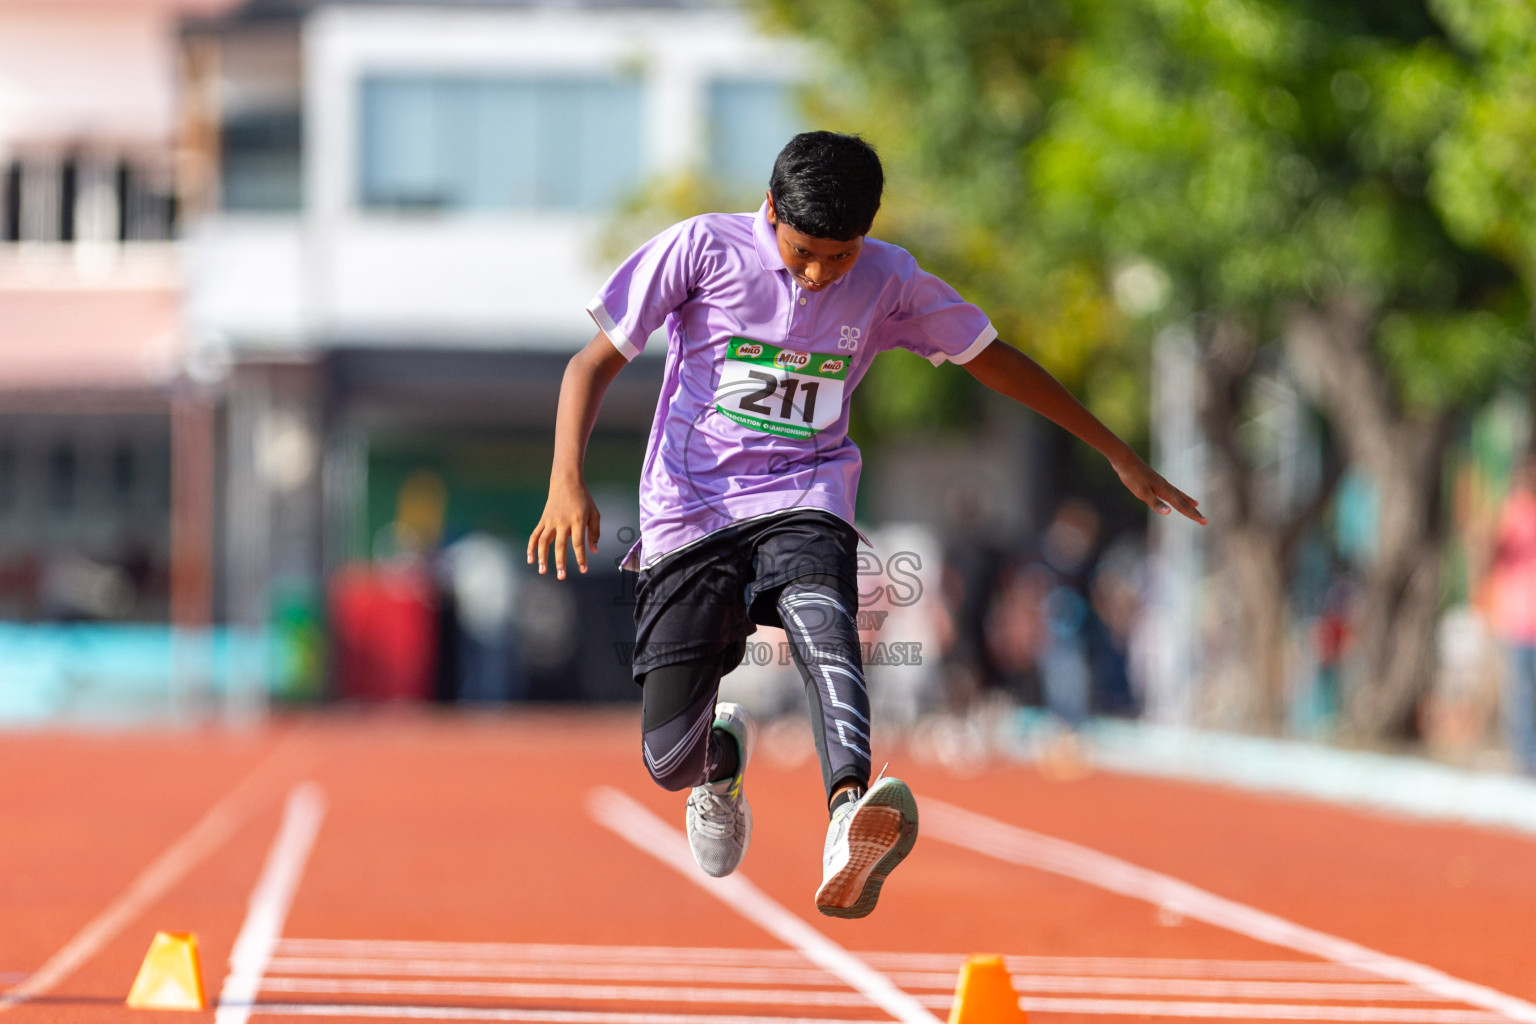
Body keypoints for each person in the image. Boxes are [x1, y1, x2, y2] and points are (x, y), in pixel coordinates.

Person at [527, 131, 1204, 917]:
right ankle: (720, 759)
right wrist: (564, 481)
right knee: (665, 759)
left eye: (840, 256)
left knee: (825, 615)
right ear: (772, 210)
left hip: (805, 492)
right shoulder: (701, 249)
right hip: (691, 509)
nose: (819, 274)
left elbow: (994, 358)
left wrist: (1117, 452)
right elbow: (591, 362)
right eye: (804, 251)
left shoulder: (889, 279)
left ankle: (849, 807)